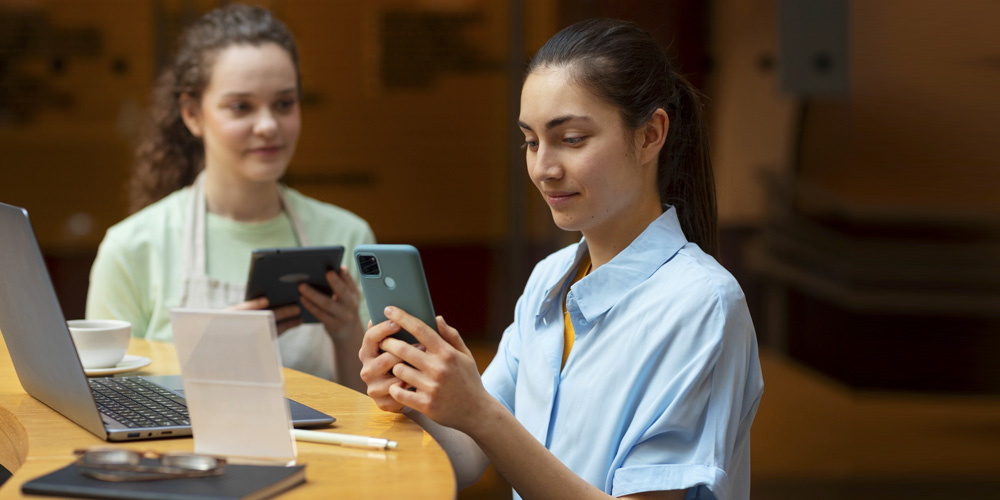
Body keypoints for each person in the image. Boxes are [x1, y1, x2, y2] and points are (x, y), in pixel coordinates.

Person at [360, 18, 763, 499]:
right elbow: (468, 457)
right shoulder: (549, 280)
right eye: (531, 141)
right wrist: (418, 398)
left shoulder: (702, 304)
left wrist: (481, 414)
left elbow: (488, 427)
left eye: (571, 139)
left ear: (651, 134)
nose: (544, 168)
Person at [86, 4, 373, 391]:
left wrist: (346, 332)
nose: (269, 125)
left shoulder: (350, 236)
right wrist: (217, 352)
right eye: (241, 107)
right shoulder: (132, 248)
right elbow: (110, 402)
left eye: (284, 103)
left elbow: (383, 413)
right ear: (192, 114)